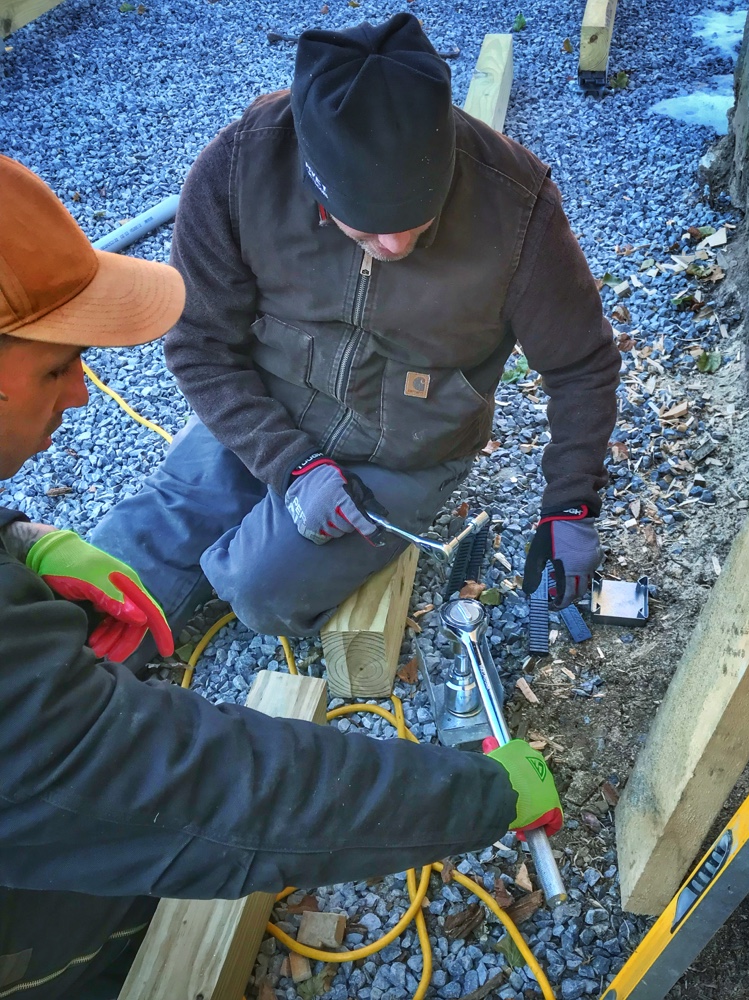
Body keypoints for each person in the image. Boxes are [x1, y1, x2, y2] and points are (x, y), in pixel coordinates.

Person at [0, 154, 562, 1000]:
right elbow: (222, 792)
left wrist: (20, 539)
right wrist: (478, 798)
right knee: (83, 884)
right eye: (56, 368)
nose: (81, 396)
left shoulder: (509, 203)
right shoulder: (245, 170)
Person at [89, 12, 620, 655]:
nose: (394, 243)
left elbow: (580, 364)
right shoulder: (239, 168)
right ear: (315, 180)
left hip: (406, 449)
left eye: (416, 221)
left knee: (260, 591)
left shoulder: (517, 206)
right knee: (115, 569)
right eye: (366, 227)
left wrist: (570, 505)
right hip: (266, 409)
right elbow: (198, 344)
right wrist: (290, 464)